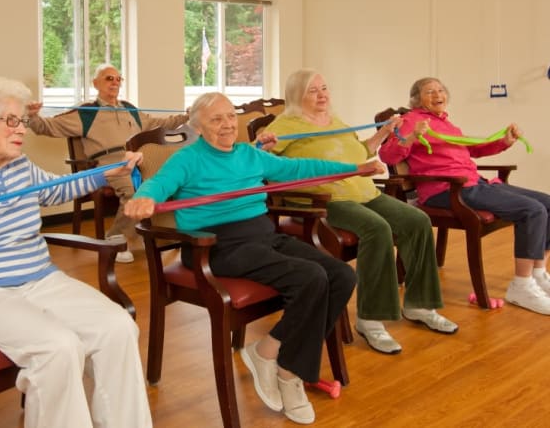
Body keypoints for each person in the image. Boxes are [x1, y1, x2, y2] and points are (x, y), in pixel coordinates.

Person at [124, 91, 378, 425]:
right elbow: (159, 185)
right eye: (216, 119)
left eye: (231, 116)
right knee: (311, 278)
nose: (228, 125)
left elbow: (300, 167)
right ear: (197, 126)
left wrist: (354, 168)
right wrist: (143, 198)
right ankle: (288, 373)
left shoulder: (248, 154)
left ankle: (271, 354)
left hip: (263, 236)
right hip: (216, 246)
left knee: (342, 276)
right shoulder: (187, 159)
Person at [0, 76, 152, 428]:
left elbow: (57, 190)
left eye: (23, 121)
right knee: (58, 347)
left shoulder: (18, 166)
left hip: (40, 278)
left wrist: (109, 173)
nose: (22, 130)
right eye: (11, 121)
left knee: (117, 327)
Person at [259, 69, 458, 355]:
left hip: (364, 192)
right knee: (377, 229)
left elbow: (361, 153)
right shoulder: (287, 124)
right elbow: (264, 164)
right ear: (296, 94)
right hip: (327, 200)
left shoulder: (336, 121)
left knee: (416, 220)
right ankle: (371, 319)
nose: (322, 94)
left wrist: (384, 133)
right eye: (313, 90)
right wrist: (265, 146)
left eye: (324, 88)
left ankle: (419, 305)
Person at [379, 76, 550, 315]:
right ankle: (521, 286)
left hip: (475, 183)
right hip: (446, 191)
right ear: (417, 100)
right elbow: (388, 155)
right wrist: (411, 137)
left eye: (441, 89)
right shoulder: (411, 121)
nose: (438, 94)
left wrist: (504, 142)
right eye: (430, 92)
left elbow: (471, 150)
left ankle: (538, 274)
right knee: (532, 210)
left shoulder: (447, 124)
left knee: (547, 203)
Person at [27, 63, 189, 263]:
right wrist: (32, 116)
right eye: (108, 78)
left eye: (118, 79)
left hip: (136, 157)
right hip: (110, 162)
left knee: (172, 181)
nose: (115, 82)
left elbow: (160, 124)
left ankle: (165, 233)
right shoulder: (87, 112)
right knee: (133, 191)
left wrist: (188, 116)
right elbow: (45, 127)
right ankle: (117, 237)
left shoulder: (130, 109)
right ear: (96, 84)